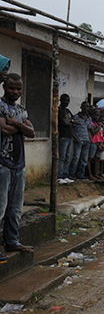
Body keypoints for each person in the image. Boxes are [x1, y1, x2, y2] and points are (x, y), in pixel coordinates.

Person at [0, 74, 36, 263]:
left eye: (18, 88)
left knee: (15, 209)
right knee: (0, 208)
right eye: (12, 88)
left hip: (19, 165)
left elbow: (32, 132)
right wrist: (21, 126)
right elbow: (3, 130)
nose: (15, 92)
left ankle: (12, 241)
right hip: (3, 163)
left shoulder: (21, 110)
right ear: (4, 87)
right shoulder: (0, 106)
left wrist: (17, 123)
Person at [69, 102, 92, 180]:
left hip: (86, 140)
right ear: (81, 107)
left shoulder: (89, 118)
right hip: (79, 140)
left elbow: (88, 129)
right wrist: (76, 139)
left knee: (84, 159)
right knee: (76, 157)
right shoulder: (76, 117)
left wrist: (89, 138)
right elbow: (72, 129)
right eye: (85, 106)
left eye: (88, 107)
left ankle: (80, 174)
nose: (87, 108)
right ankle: (71, 174)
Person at [57, 94, 76, 184]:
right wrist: (71, 121)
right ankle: (60, 176)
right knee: (62, 157)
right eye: (65, 100)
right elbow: (65, 122)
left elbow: (75, 120)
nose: (67, 102)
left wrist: (71, 121)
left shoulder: (67, 111)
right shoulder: (59, 110)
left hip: (69, 136)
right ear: (61, 100)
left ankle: (65, 175)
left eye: (68, 101)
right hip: (63, 136)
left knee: (67, 157)